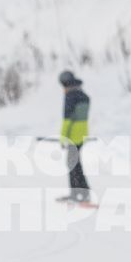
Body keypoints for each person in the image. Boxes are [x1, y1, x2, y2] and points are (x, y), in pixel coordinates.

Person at [57, 70, 91, 203]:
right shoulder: (83, 95)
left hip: (72, 135)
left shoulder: (70, 95)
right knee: (75, 164)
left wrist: (63, 138)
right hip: (82, 134)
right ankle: (81, 193)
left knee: (73, 165)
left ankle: (79, 194)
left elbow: (67, 120)